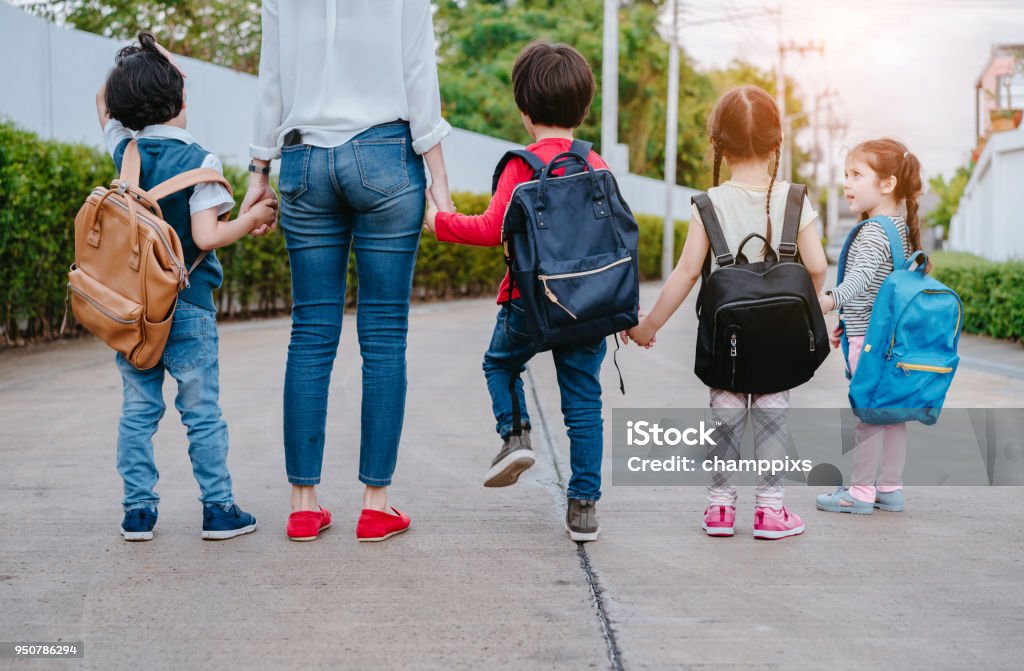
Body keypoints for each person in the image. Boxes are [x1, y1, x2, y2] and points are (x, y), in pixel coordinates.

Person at [243, 0, 454, 542]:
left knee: (310, 335)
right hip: (385, 154)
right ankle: (375, 504)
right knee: (383, 336)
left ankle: (302, 506)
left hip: (304, 161)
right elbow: (418, 75)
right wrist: (440, 185)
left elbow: (271, 79)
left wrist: (258, 173)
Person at [423, 41, 610, 542]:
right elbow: (616, 240)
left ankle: (515, 435)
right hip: (588, 305)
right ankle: (584, 507)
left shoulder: (520, 165)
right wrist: (627, 315)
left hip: (527, 300)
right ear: (583, 106)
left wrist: (439, 221)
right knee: (583, 405)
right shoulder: (597, 163)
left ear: (524, 111)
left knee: (500, 363)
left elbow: (490, 228)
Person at [96, 32, 278, 541]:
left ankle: (138, 512)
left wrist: (145, 67)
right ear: (180, 99)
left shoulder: (125, 152)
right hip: (190, 308)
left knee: (138, 410)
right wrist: (254, 215)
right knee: (201, 412)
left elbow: (103, 102)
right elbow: (206, 235)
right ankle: (218, 510)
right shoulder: (202, 161)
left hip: (134, 313)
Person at [625, 85, 828, 540]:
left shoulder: (708, 204)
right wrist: (805, 310)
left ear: (717, 144)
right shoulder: (795, 198)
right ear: (777, 143)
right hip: (779, 343)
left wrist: (647, 326)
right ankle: (770, 512)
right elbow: (816, 266)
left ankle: (719, 510)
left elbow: (684, 273)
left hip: (728, 342)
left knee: (725, 422)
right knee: (773, 422)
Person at [815, 139, 923, 516]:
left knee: (866, 419)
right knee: (892, 417)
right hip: (893, 344)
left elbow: (860, 280)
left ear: (887, 184)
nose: (847, 183)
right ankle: (890, 488)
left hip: (872, 347)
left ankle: (859, 493)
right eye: (846, 174)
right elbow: (883, 289)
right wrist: (850, 321)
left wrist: (828, 301)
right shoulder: (900, 230)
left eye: (857, 175)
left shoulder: (873, 231)